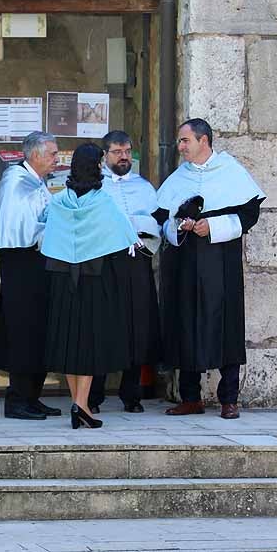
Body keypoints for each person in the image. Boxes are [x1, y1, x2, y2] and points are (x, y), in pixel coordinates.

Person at [156, 119, 265, 419]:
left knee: (225, 323)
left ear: (203, 141)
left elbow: (249, 214)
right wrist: (180, 226)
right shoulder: (180, 177)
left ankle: (229, 398)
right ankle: (191, 398)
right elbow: (160, 217)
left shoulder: (230, 172)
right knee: (187, 321)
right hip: (185, 262)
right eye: (179, 141)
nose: (180, 147)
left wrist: (213, 226)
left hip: (220, 261)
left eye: (185, 141)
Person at [41, 143, 139, 429]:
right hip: (93, 280)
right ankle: (80, 404)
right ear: (96, 167)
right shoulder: (103, 202)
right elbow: (122, 239)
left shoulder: (59, 202)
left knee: (69, 343)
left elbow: (49, 237)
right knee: (88, 344)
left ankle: (78, 402)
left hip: (62, 279)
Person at [0, 131, 60, 420]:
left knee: (40, 331)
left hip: (38, 263)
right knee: (22, 332)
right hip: (21, 263)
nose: (57, 158)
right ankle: (17, 400)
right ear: (35, 155)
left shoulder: (37, 182)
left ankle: (32, 397)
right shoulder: (16, 181)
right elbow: (22, 223)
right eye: (53, 153)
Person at [88, 131, 161, 414]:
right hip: (106, 262)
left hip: (137, 263)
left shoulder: (144, 187)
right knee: (105, 326)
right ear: (105, 155)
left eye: (127, 151)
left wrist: (140, 226)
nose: (124, 157)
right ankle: (94, 396)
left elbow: (156, 221)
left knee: (136, 325)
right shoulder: (96, 187)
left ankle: (132, 394)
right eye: (117, 152)